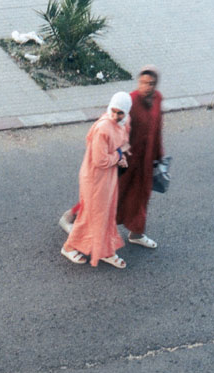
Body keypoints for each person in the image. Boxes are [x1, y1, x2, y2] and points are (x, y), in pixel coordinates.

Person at [60, 92, 132, 269]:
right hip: (95, 178)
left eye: (120, 113)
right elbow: (100, 160)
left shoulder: (121, 123)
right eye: (113, 111)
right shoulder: (103, 128)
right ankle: (69, 247)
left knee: (105, 213)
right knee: (92, 214)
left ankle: (105, 250)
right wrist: (118, 155)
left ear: (127, 112)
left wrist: (119, 156)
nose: (115, 116)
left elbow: (117, 148)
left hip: (106, 177)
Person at [115, 67, 165, 249]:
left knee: (141, 196)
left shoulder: (157, 99)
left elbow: (158, 128)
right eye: (143, 83)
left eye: (150, 84)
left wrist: (158, 156)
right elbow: (115, 126)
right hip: (126, 160)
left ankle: (137, 232)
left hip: (145, 160)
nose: (147, 87)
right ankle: (80, 219)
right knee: (113, 194)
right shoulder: (130, 101)